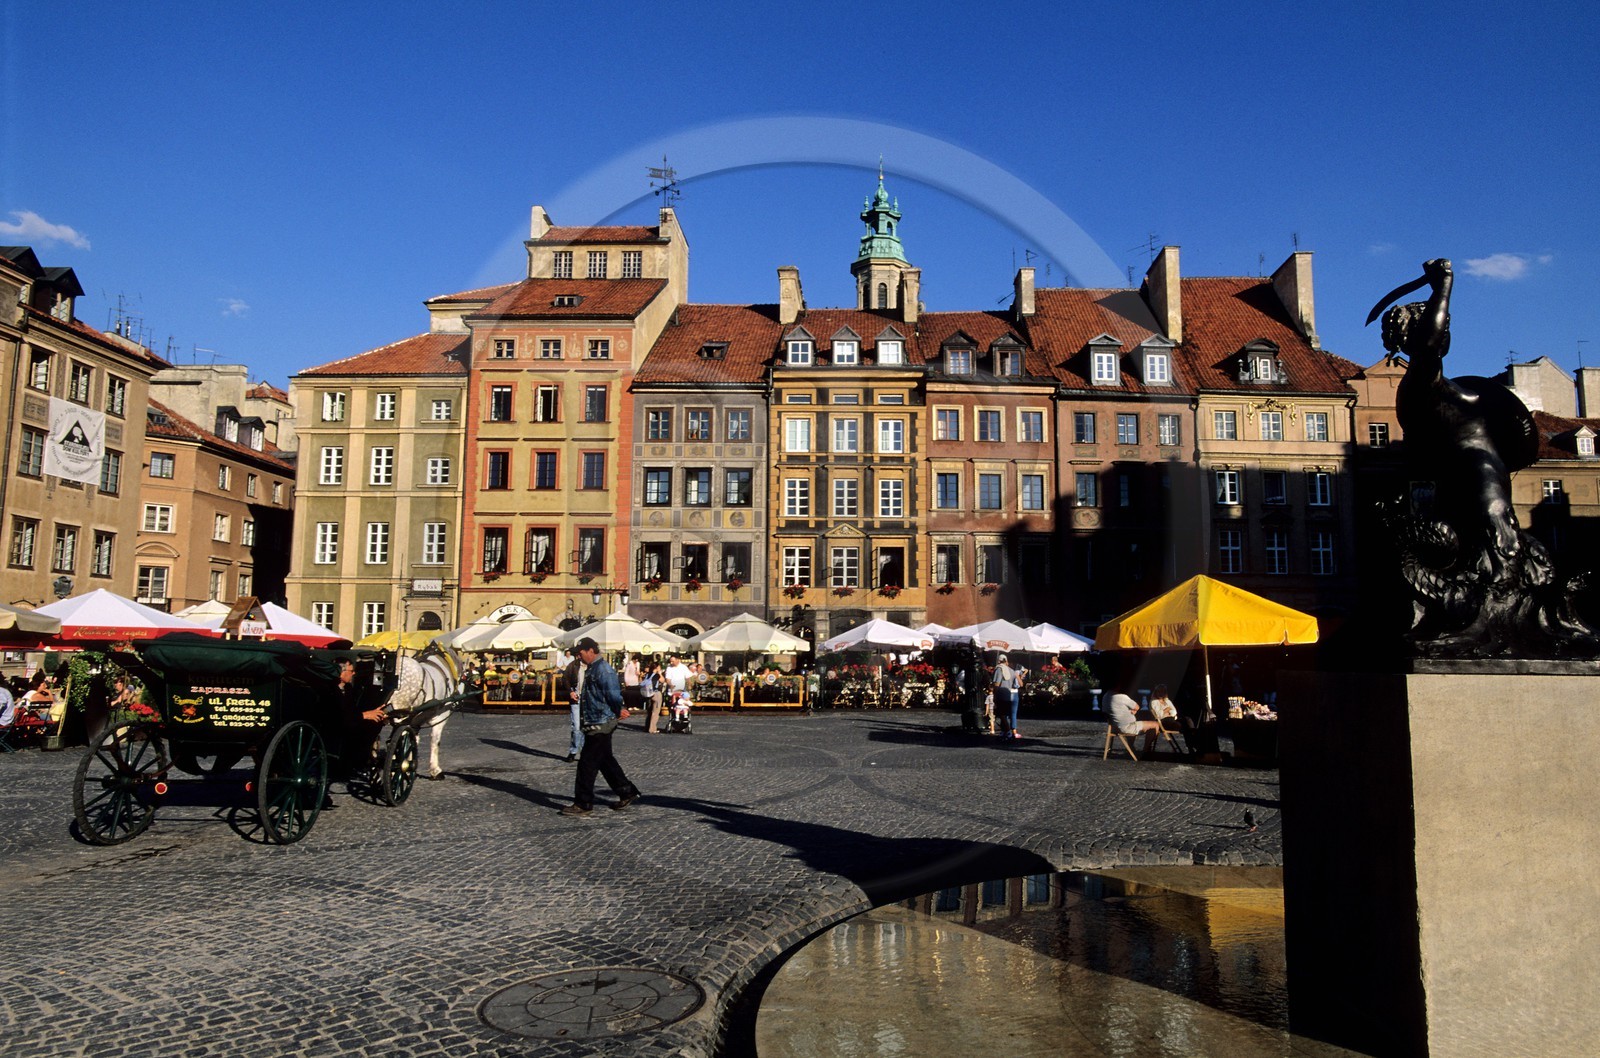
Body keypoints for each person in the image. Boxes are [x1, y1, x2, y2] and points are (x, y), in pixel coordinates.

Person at [561, 637, 641, 816]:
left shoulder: (603, 670)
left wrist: (618, 708)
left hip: (600, 722)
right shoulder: (592, 668)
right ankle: (627, 792)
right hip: (595, 720)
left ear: (591, 651)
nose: (579, 657)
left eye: (581, 654)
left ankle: (583, 803)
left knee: (586, 765)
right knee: (605, 760)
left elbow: (612, 692)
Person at [337, 658, 387, 779]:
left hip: (348, 722)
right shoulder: (330, 689)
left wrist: (373, 713)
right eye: (351, 670)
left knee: (375, 721)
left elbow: (352, 710)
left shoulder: (347, 688)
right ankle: (358, 763)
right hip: (337, 728)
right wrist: (364, 715)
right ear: (341, 671)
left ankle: (359, 760)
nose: (353, 673)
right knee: (370, 725)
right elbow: (337, 716)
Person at [1107, 682, 1161, 754]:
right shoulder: (1121, 697)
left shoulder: (1106, 696)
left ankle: (1131, 748)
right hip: (1126, 727)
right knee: (1155, 724)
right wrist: (1134, 710)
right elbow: (1137, 706)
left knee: (1137, 723)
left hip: (1114, 727)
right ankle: (1145, 751)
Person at [991, 654, 1025, 739]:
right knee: (1008, 713)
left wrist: (994, 695)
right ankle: (1009, 731)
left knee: (1002, 714)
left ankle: (1007, 731)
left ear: (998, 661)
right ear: (1006, 661)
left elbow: (997, 684)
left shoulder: (999, 669)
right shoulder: (1012, 671)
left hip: (1000, 695)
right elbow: (1019, 684)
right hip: (1009, 694)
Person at [562, 650, 584, 763]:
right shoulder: (573, 665)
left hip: (589, 701)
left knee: (587, 727)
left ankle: (585, 753)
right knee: (576, 727)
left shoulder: (593, 666)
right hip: (576, 699)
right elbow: (565, 679)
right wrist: (570, 692)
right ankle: (573, 751)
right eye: (579, 654)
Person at [1146, 683, 1180, 753]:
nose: (1160, 693)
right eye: (1159, 691)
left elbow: (1174, 712)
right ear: (1156, 692)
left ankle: (1191, 744)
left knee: (1187, 720)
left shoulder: (1167, 701)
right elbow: (1159, 715)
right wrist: (1166, 710)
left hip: (1171, 720)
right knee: (1173, 721)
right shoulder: (1153, 702)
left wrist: (1168, 713)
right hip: (1162, 723)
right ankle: (1180, 726)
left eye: (1162, 691)